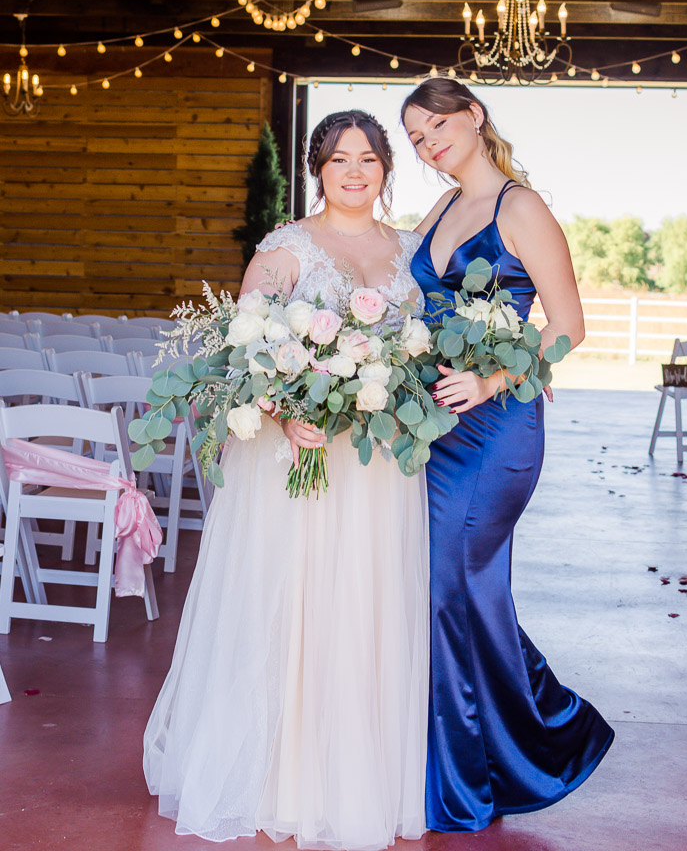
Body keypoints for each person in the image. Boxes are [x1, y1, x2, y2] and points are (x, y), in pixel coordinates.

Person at [144, 111, 429, 848]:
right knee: (300, 602)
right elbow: (246, 352)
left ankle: (357, 777)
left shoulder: (412, 248)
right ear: (318, 169)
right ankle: (286, 781)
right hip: (302, 459)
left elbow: (420, 352)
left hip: (378, 463)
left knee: (366, 601)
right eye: (339, 159)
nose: (355, 172)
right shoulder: (286, 248)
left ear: (385, 168)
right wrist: (286, 414)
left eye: (368, 159)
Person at [401, 77, 614, 833]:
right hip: (433, 424)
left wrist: (494, 378)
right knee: (449, 592)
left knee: (450, 588)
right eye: (416, 138)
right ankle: (492, 756)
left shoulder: (519, 207)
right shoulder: (440, 208)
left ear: (474, 114)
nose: (429, 144)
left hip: (496, 430)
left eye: (437, 126)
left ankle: (501, 763)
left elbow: (569, 325)